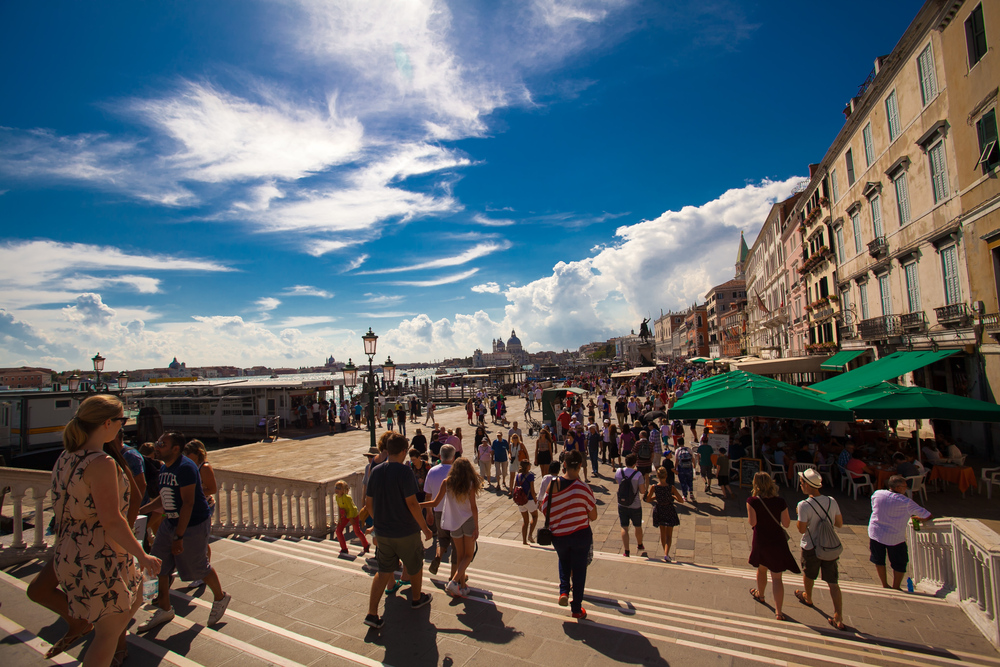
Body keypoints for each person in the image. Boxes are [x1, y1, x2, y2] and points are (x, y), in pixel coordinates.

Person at [40, 395, 161, 667]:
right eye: (122, 420)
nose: (123, 426)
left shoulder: (65, 457)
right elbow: (112, 520)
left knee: (130, 603)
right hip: (100, 555)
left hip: (69, 551)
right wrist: (142, 555)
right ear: (107, 423)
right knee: (108, 634)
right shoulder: (101, 463)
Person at [139, 432, 231, 633]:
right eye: (157, 442)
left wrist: (179, 537)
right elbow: (164, 498)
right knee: (158, 563)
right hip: (170, 521)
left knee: (197, 567)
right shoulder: (165, 468)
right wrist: (141, 510)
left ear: (175, 449)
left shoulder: (186, 468)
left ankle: (220, 596)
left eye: (162, 444)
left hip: (192, 524)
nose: (157, 446)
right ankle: (164, 607)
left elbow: (188, 503)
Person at [364, 432, 433, 628]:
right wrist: (426, 529)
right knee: (415, 564)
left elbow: (369, 503)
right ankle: (417, 598)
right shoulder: (405, 472)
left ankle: (371, 613)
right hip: (405, 531)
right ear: (403, 451)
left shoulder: (376, 471)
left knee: (384, 570)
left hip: (383, 532)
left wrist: (379, 520)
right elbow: (412, 504)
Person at [539, 450, 597, 619]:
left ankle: (564, 591)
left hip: (559, 536)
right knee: (579, 571)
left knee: (564, 560)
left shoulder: (553, 484)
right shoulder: (584, 488)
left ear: (563, 464)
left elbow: (544, 509)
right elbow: (593, 516)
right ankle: (577, 609)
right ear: (580, 466)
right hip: (580, 535)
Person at [421, 457, 481, 597]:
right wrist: (476, 527)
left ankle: (462, 586)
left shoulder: (447, 483)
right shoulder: (470, 483)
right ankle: (454, 582)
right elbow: (473, 507)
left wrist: (418, 505)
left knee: (459, 555)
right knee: (468, 555)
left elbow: (435, 503)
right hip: (468, 521)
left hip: (453, 523)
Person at [794, 468, 845, 631]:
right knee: (833, 582)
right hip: (829, 546)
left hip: (811, 546)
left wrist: (799, 515)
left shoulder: (803, 505)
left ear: (807, 486)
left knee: (809, 574)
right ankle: (838, 615)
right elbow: (839, 524)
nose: (800, 485)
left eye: (802, 483)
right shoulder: (831, 501)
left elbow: (801, 529)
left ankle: (808, 597)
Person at [747, 472, 800, 621]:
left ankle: (761, 595)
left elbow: (753, 523)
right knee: (777, 578)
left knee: (762, 569)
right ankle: (779, 612)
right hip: (777, 540)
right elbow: (787, 524)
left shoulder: (752, 501)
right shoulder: (780, 502)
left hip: (761, 540)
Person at [868, 474, 932, 590]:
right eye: (904, 486)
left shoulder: (878, 494)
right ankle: (896, 587)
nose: (906, 488)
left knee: (879, 559)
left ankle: (884, 585)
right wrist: (918, 519)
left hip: (876, 532)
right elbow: (927, 515)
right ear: (897, 487)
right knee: (899, 563)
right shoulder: (906, 502)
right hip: (895, 536)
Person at [425, 445, 455, 576]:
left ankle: (438, 556)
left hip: (438, 511)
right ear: (453, 457)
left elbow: (428, 495)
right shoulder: (456, 472)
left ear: (440, 456)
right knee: (456, 542)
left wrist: (429, 512)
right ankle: (455, 574)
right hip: (455, 513)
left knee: (441, 539)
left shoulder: (432, 471)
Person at [644, 466, 682, 562]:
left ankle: (665, 552)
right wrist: (673, 496)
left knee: (662, 532)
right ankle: (666, 553)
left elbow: (647, 500)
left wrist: (655, 497)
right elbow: (681, 500)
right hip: (669, 508)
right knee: (669, 534)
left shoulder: (654, 487)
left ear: (657, 476)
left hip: (660, 509)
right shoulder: (671, 487)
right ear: (666, 475)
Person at [615, 453, 647, 558]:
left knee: (624, 527)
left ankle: (626, 551)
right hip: (635, 505)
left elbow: (618, 482)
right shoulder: (638, 475)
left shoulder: (619, 471)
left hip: (622, 503)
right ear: (634, 464)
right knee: (637, 526)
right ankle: (639, 544)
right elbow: (642, 491)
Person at [334, 479, 370, 556]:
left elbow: (351, 508)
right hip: (345, 515)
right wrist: (340, 518)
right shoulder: (337, 498)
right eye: (336, 487)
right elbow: (340, 508)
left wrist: (351, 519)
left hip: (353, 515)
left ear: (343, 490)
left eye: (339, 488)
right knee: (338, 531)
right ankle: (344, 548)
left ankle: (366, 545)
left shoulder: (347, 498)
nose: (336, 489)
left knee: (357, 531)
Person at [513, 460, 538, 544]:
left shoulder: (518, 476)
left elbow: (515, 487)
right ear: (527, 467)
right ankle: (530, 535)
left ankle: (524, 541)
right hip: (529, 499)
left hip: (520, 501)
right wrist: (535, 499)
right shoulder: (530, 476)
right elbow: (532, 489)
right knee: (535, 516)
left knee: (525, 521)